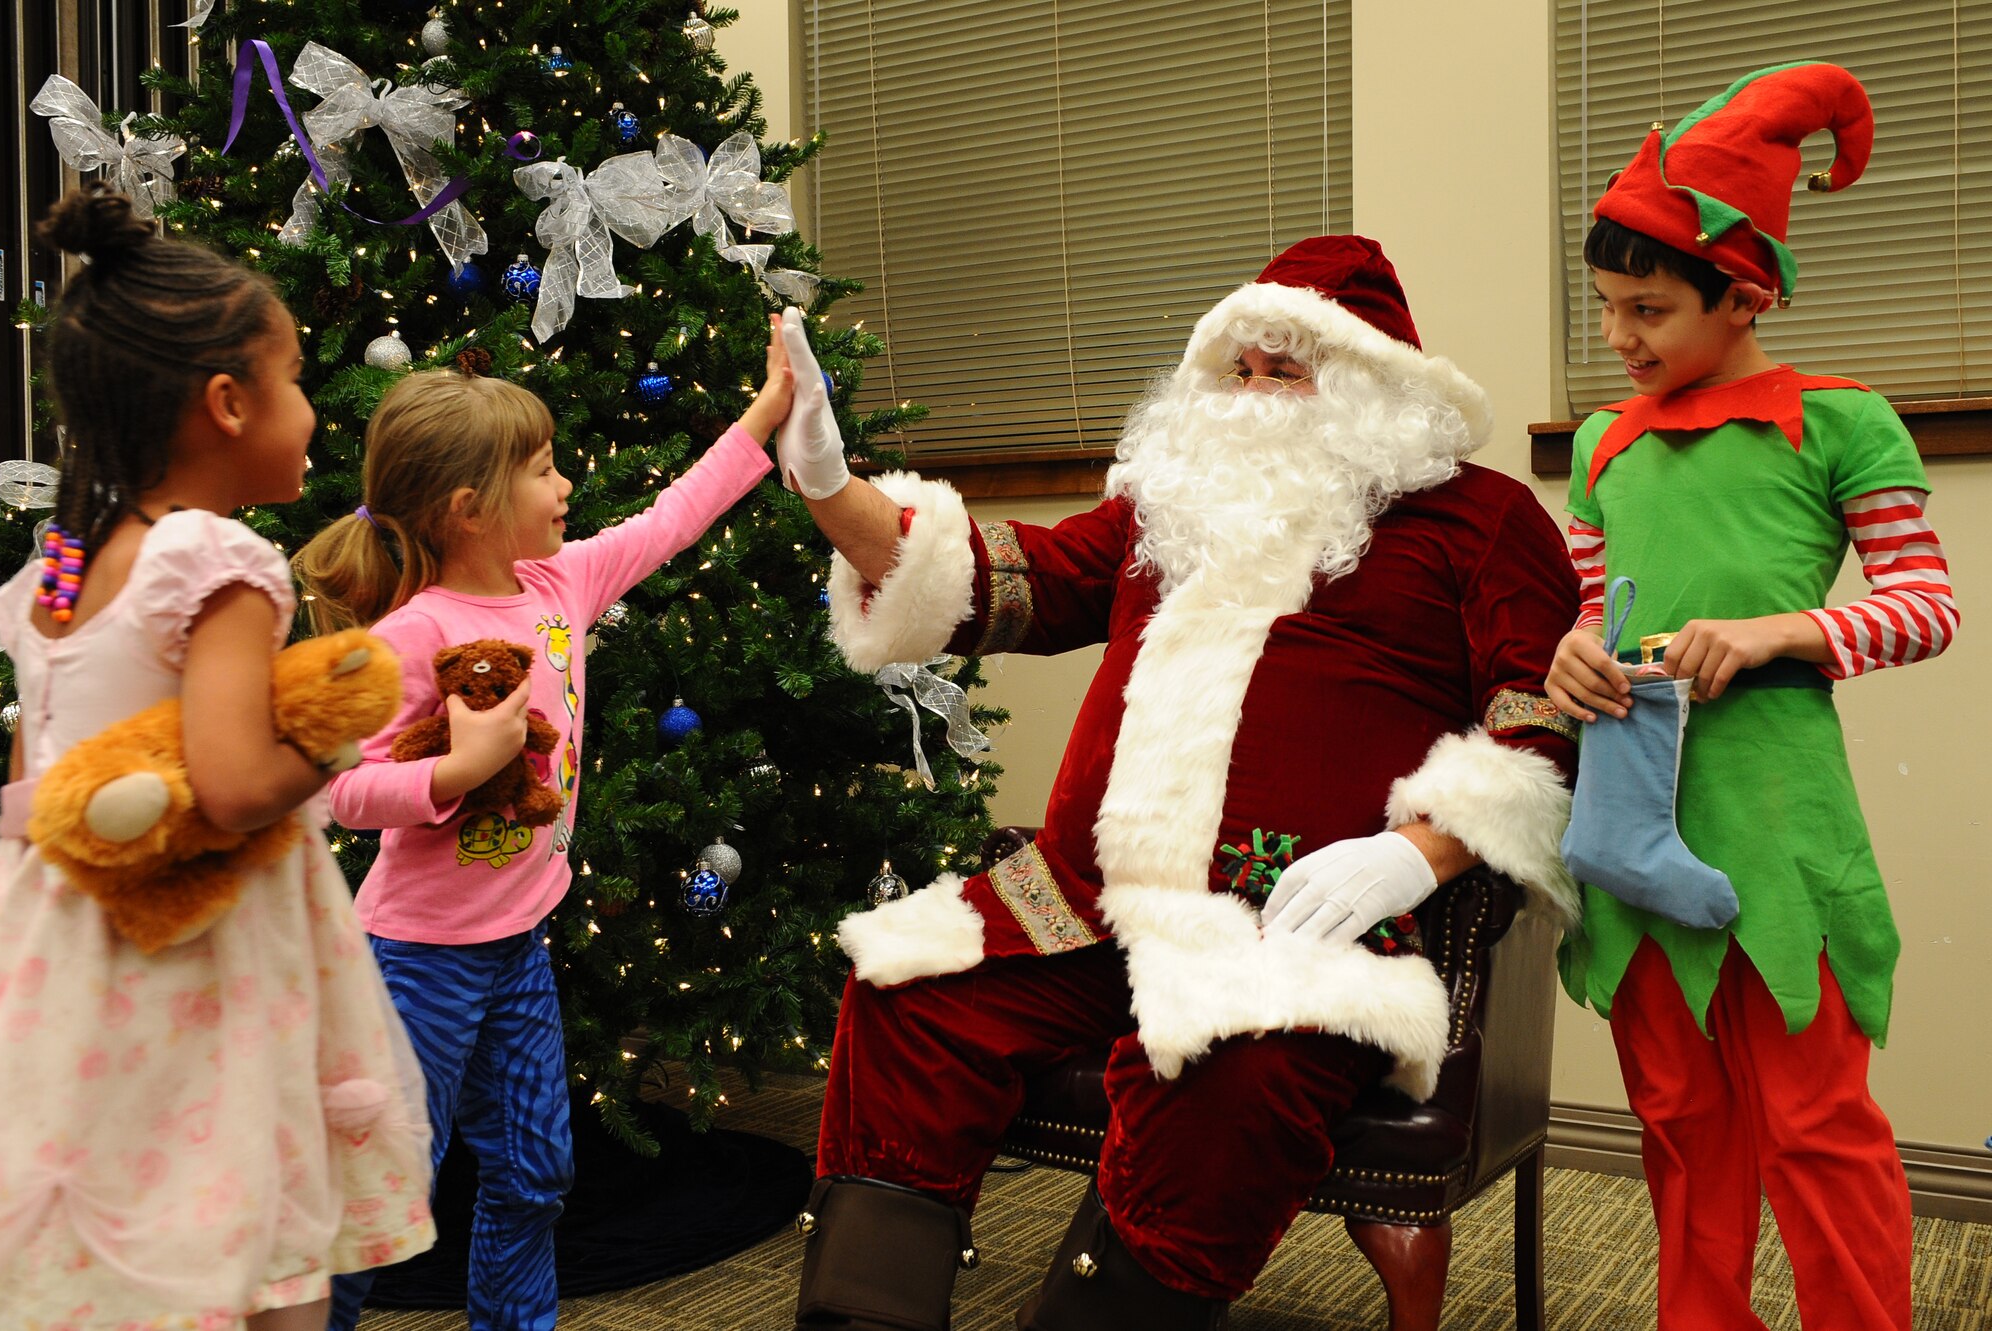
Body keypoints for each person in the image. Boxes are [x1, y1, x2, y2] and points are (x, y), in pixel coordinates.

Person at [771, 236, 1581, 1329]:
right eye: (1236, 369)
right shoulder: (1166, 509)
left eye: (1282, 371)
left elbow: (1541, 718)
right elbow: (996, 584)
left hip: (1287, 935)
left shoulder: (1480, 521)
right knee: (906, 994)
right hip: (1078, 905)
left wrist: (1415, 850)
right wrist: (828, 482)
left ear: (1370, 386)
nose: (1249, 397)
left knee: (1227, 1084)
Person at [1545, 63, 1958, 1331]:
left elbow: (1926, 605)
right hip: (1627, 819)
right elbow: (1586, 611)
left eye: (1648, 309)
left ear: (1742, 291)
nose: (1619, 338)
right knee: (1674, 1124)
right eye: (1607, 308)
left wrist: (1781, 629)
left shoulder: (1837, 423)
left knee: (1814, 1124)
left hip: (1776, 824)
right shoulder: (1600, 445)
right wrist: (1568, 659)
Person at [0, 186, 434, 1330]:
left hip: (58, 953)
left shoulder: (61, 561)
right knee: (240, 1213)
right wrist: (333, 736)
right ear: (228, 403)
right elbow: (236, 787)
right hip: (201, 951)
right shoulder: (220, 559)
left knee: (114, 1225)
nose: (311, 414)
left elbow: (29, 780)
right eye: (293, 383)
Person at [296, 329, 792, 1331]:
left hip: (516, 949)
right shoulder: (409, 635)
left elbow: (672, 520)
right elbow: (332, 794)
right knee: (381, 1197)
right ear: (467, 508)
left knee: (532, 1172)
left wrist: (767, 411)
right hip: (413, 959)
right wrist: (456, 773)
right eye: (542, 468)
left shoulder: (559, 588)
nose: (566, 484)